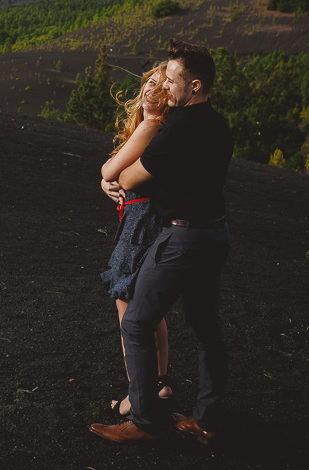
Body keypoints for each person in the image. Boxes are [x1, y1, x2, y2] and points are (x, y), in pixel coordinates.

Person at [90, 38, 234, 444]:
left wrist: (112, 177)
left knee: (136, 323)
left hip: (182, 237)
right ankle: (207, 420)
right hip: (215, 234)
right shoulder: (219, 125)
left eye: (173, 79)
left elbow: (130, 178)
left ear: (195, 85)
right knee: (207, 330)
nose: (166, 86)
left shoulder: (177, 128)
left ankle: (143, 421)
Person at [98, 62, 173, 417]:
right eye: (150, 82)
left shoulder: (151, 126)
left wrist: (105, 177)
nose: (151, 90)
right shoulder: (160, 127)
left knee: (127, 305)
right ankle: (158, 384)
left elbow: (110, 170)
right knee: (147, 308)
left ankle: (137, 393)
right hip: (148, 218)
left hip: (141, 222)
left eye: (161, 86)